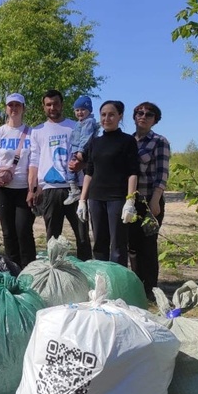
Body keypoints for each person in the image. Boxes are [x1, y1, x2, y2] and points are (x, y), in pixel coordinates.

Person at [27, 90, 93, 260]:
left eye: (56, 103)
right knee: (52, 237)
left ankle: (85, 271)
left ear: (62, 105)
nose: (52, 107)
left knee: (82, 235)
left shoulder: (76, 126)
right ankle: (53, 273)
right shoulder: (37, 131)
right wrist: (33, 188)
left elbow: (90, 153)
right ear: (43, 107)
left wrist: (82, 164)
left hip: (76, 189)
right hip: (50, 190)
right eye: (48, 104)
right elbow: (34, 162)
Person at [76, 100, 139, 266]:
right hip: (96, 198)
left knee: (118, 245)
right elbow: (89, 172)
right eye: (103, 115)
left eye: (111, 114)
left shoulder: (127, 141)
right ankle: (102, 281)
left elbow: (133, 172)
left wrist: (130, 200)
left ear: (120, 116)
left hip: (117, 199)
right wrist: (82, 200)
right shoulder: (95, 142)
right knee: (99, 243)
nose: (107, 118)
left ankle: (117, 284)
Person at [0, 93, 36, 268]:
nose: (14, 108)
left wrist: (32, 188)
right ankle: (13, 267)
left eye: (18, 105)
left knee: (23, 230)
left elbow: (34, 163)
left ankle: (29, 268)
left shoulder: (31, 133)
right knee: (8, 232)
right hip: (2, 189)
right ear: (6, 108)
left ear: (23, 108)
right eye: (10, 105)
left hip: (23, 188)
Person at [128, 102, 171, 299]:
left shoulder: (159, 141)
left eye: (149, 114)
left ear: (155, 120)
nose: (143, 116)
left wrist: (155, 201)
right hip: (130, 202)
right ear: (134, 116)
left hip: (149, 201)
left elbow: (162, 175)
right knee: (133, 246)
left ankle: (151, 289)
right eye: (140, 112)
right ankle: (137, 287)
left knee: (148, 244)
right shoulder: (128, 141)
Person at [63, 95, 100, 205]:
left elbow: (85, 137)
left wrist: (80, 151)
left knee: (74, 168)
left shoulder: (88, 122)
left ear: (89, 110)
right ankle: (75, 190)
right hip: (77, 150)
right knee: (73, 169)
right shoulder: (79, 123)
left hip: (83, 151)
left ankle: (75, 191)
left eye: (83, 109)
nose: (80, 112)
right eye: (77, 110)